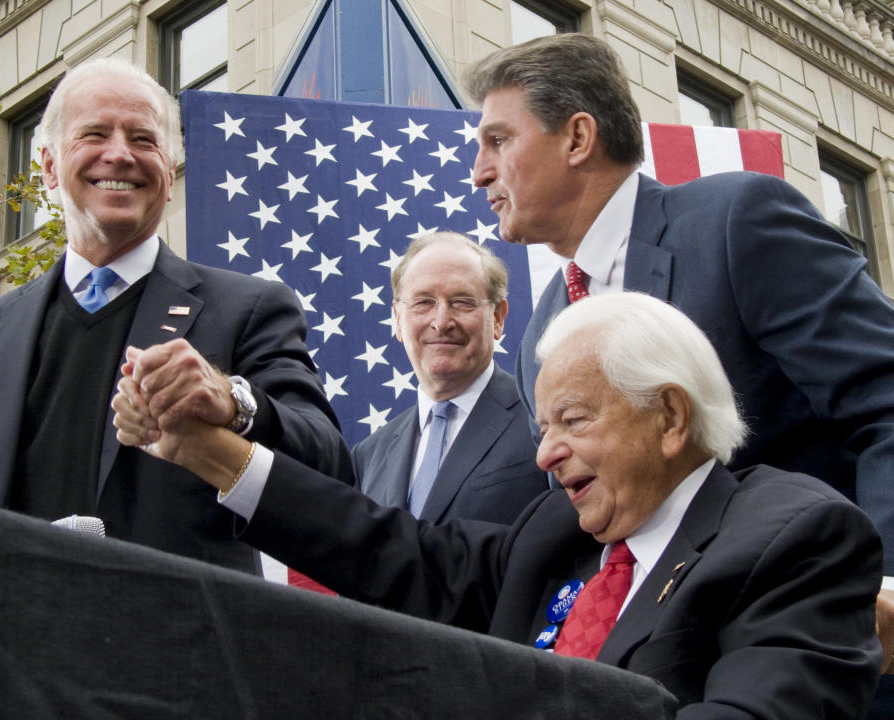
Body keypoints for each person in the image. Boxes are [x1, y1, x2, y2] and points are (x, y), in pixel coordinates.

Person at [112, 291, 882, 717]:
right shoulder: (554, 536)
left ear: (671, 417)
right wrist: (206, 452)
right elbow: (390, 548)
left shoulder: (793, 539)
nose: (545, 454)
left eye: (573, 422)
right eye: (543, 428)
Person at [466, 34, 894, 701]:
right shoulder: (538, 340)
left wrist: (883, 581)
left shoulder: (737, 222)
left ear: (577, 137)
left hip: (812, 661)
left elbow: (885, 396)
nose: (479, 172)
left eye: (498, 141)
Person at [0, 57, 351, 573]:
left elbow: (329, 466)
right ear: (47, 167)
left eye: (143, 139)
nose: (119, 155)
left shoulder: (250, 307)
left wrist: (234, 403)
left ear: (170, 176)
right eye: (94, 134)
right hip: (11, 638)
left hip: (182, 640)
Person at [352, 232, 546, 524]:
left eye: (462, 302)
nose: (441, 322)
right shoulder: (369, 455)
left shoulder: (542, 420)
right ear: (397, 320)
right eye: (423, 302)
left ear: (498, 318)